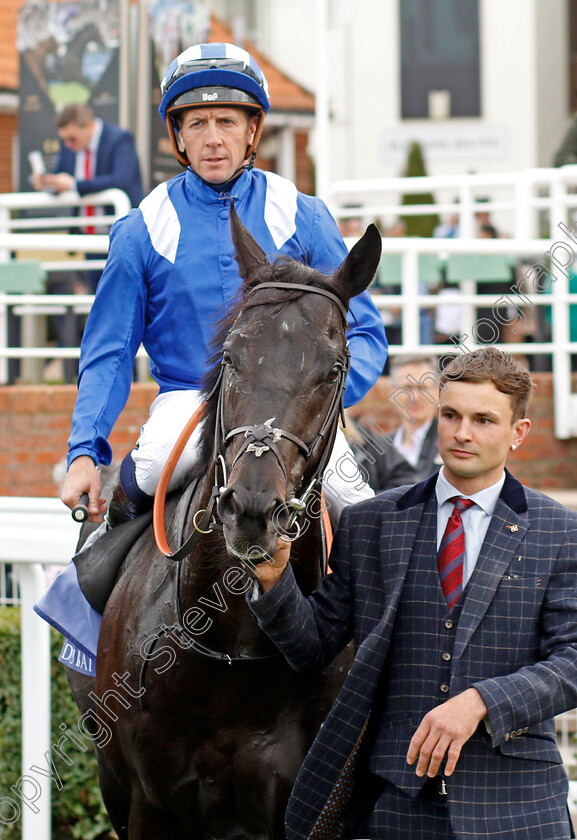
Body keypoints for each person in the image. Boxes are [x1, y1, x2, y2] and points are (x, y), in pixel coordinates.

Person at [249, 346, 577, 840]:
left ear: (518, 433)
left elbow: (572, 660)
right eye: (451, 415)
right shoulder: (372, 521)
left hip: (517, 806)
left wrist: (480, 702)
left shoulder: (559, 531)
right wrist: (275, 582)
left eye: (484, 420)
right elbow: (312, 646)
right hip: (393, 807)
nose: (462, 433)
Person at [349, 354, 441, 492]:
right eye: (407, 388)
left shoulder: (449, 443)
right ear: (392, 393)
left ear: (437, 392)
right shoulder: (381, 448)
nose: (414, 397)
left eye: (422, 387)